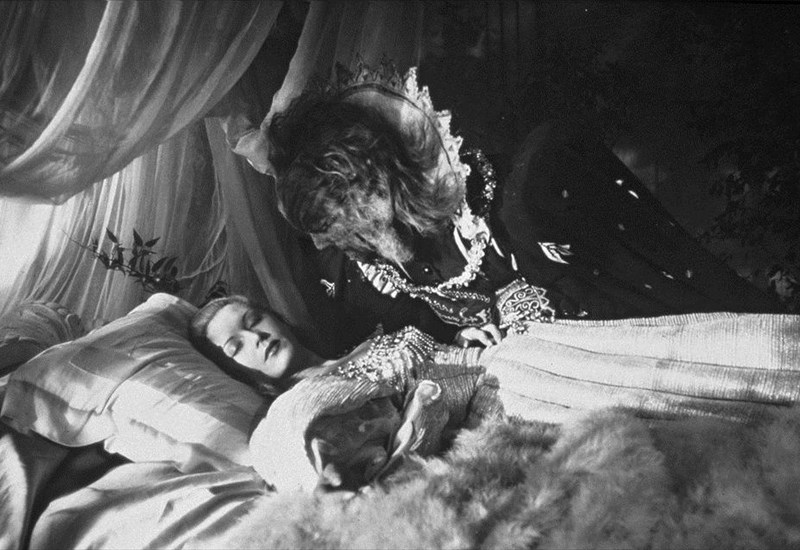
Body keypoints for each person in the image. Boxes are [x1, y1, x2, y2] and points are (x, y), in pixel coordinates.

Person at [266, 63, 782, 352]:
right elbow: (410, 319)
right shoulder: (361, 269)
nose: (335, 242)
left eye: (343, 219)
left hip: (620, 341)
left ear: (372, 183)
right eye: (334, 233)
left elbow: (610, 292)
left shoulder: (511, 201)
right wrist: (456, 335)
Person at [190, 293, 800, 492]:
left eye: (253, 320)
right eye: (235, 345)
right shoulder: (295, 408)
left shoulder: (359, 341)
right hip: (506, 402)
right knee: (680, 405)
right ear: (235, 370)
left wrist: (463, 336)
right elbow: (313, 462)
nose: (255, 338)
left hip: (518, 354)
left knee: (703, 348)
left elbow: (438, 351)